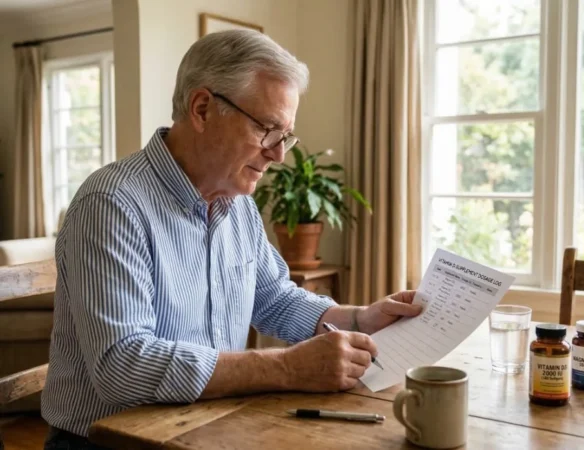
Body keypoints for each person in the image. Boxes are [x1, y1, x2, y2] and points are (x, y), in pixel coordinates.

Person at [41, 29, 422, 449]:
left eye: (285, 135)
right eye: (267, 128)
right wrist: (288, 368)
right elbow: (124, 366)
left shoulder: (236, 203)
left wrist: (361, 319)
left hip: (208, 424)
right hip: (111, 441)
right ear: (202, 109)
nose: (279, 154)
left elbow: (274, 299)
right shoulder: (111, 204)